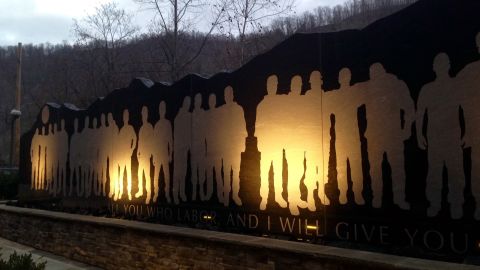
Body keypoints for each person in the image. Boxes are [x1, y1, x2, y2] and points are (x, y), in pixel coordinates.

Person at [416, 53, 464, 218]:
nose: (441, 67)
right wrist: (419, 134)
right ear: (434, 67)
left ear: (448, 65)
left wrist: (469, 132)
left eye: (444, 63)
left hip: (453, 136)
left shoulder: (457, 86)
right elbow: (420, 113)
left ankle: (457, 204)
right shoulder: (427, 89)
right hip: (434, 138)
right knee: (435, 173)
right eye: (438, 64)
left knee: (455, 172)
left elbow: (466, 110)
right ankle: (434, 204)